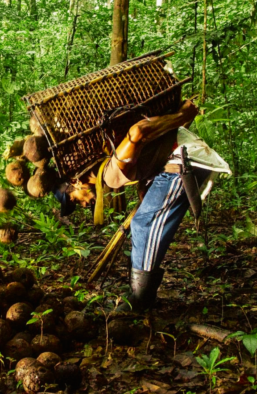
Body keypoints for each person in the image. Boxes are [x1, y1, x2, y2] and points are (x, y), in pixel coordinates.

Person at [55, 100, 231, 313]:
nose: (83, 204)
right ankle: (141, 294)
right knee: (142, 222)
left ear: (75, 182)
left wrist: (181, 115)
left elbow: (137, 132)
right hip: (181, 158)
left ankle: (139, 299)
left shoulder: (110, 175)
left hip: (184, 161)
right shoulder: (106, 170)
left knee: (143, 224)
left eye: (75, 199)